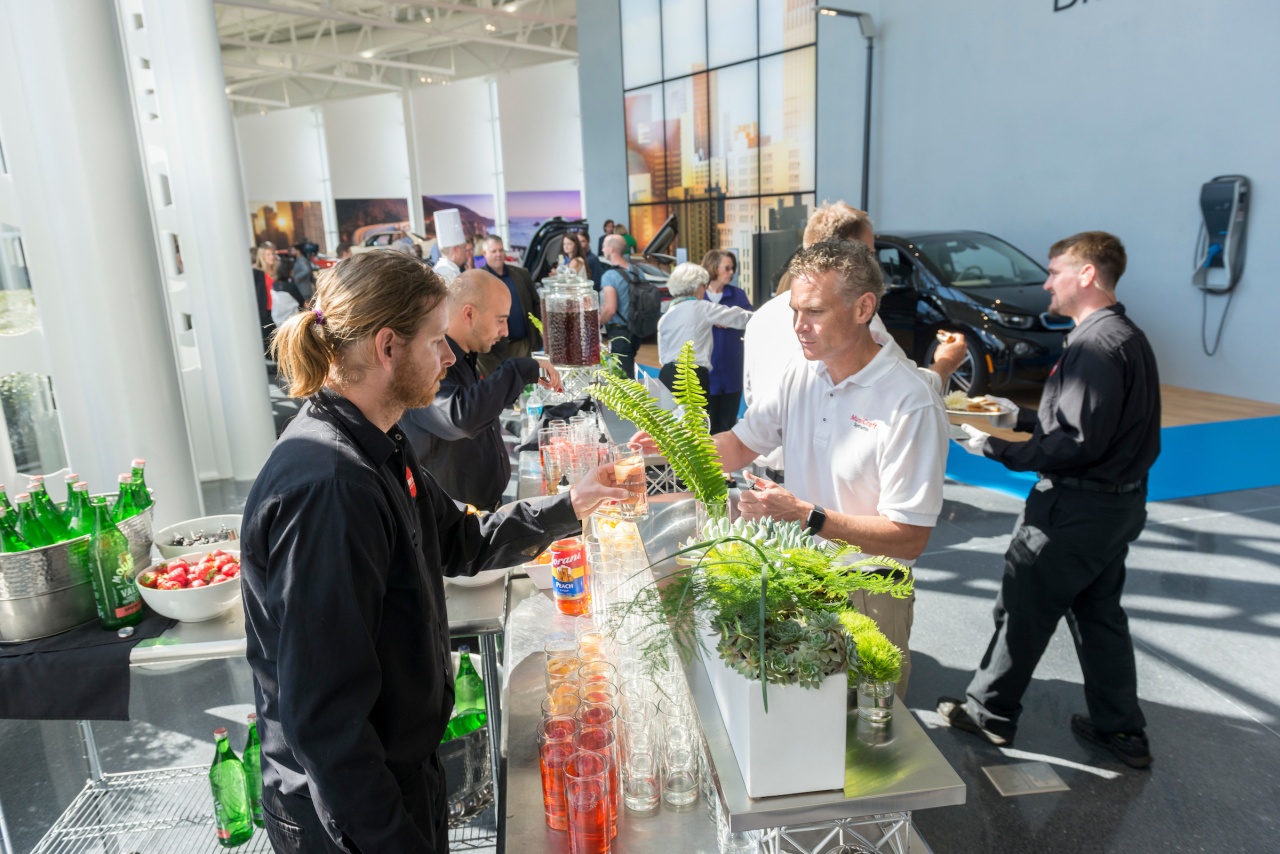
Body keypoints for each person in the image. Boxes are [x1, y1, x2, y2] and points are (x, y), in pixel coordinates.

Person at [241, 251, 624, 853]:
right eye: (436, 342)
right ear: (387, 347)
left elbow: (458, 540)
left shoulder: (380, 444)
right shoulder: (330, 487)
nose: (449, 359)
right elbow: (327, 725)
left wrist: (570, 505)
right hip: (354, 811)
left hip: (400, 773)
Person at [645, 242, 948, 697]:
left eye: (815, 312)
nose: (799, 327)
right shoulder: (802, 371)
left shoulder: (910, 400)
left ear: (864, 307)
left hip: (870, 594)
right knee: (807, 732)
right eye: (794, 311)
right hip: (801, 580)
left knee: (864, 741)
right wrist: (672, 446)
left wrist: (807, 515)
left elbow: (910, 535)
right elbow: (740, 445)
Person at [937, 232, 1159, 769]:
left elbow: (1075, 443)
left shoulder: (1093, 345)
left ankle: (989, 714)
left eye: (1056, 270)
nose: (1046, 282)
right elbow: (1092, 424)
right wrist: (1021, 418)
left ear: (1086, 275)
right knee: (1098, 613)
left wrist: (989, 444)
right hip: (1116, 508)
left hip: (1073, 512)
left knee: (1023, 606)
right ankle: (1122, 731)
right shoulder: (1125, 336)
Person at [742, 202, 966, 480]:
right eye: (869, 253)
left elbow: (751, 396)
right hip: (813, 486)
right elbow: (902, 388)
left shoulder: (760, 318)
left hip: (766, 476)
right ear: (848, 253)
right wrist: (944, 364)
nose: (800, 327)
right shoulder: (858, 324)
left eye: (814, 311)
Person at [401, 269, 562, 510]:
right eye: (500, 320)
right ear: (469, 314)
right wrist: (517, 370)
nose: (505, 331)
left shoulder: (464, 357)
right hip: (452, 519)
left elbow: (480, 408)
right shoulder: (426, 360)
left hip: (480, 509)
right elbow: (461, 417)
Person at [656, 262, 752, 397]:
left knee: (671, 417)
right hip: (692, 375)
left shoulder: (667, 315)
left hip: (667, 374)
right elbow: (740, 318)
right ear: (697, 286)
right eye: (704, 285)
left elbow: (662, 354)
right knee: (697, 418)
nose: (705, 289)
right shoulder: (702, 308)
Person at [700, 249, 753, 433]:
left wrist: (730, 322)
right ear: (713, 268)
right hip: (707, 370)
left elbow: (752, 321)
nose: (731, 272)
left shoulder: (737, 295)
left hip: (732, 369)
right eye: (727, 268)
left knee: (729, 426)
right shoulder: (699, 297)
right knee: (707, 426)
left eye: (733, 268)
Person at [476, 235, 541, 376]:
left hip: (524, 345)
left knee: (527, 387)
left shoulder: (522, 274)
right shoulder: (478, 279)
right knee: (503, 391)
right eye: (494, 251)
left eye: (501, 250)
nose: (499, 255)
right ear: (484, 253)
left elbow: (536, 303)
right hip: (494, 351)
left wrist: (538, 333)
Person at [599, 234, 640, 378]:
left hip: (619, 332)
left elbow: (610, 309)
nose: (602, 249)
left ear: (611, 249)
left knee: (622, 377)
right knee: (628, 368)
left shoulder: (609, 276)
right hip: (636, 330)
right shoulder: (636, 271)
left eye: (604, 246)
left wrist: (597, 323)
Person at [252, 243, 277, 352]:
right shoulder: (257, 273)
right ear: (262, 256)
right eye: (268, 254)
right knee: (269, 342)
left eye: (272, 254)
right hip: (266, 312)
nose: (271, 256)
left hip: (280, 311)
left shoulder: (277, 271)